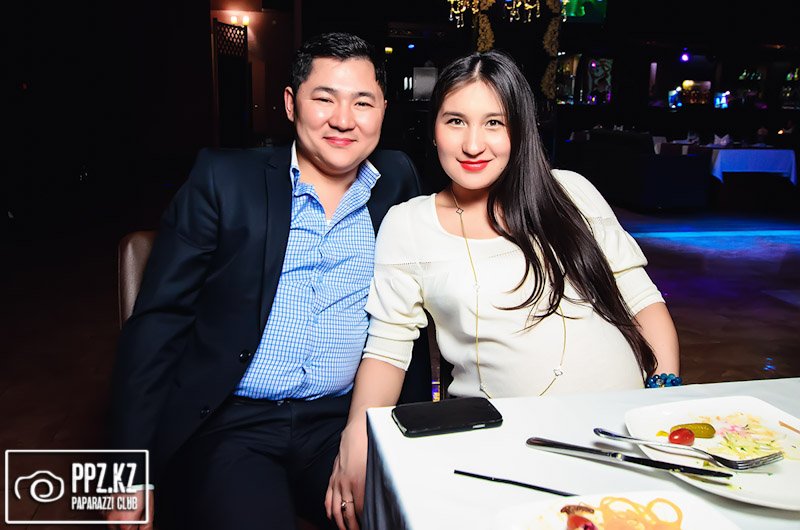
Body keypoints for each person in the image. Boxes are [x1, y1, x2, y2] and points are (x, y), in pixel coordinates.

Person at [325, 50, 679, 530]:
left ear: (520, 130)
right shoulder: (408, 224)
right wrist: (357, 436)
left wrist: (659, 401)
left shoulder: (571, 191)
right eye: (456, 121)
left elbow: (642, 302)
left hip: (622, 431)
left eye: (495, 122)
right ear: (434, 129)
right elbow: (388, 349)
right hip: (504, 442)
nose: (473, 144)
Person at [105, 32, 429, 530]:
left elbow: (410, 310)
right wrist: (129, 470)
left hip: (342, 420)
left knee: (414, 516)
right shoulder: (224, 180)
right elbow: (157, 324)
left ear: (383, 110)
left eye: (363, 102)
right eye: (324, 99)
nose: (344, 119)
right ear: (290, 103)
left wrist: (392, 434)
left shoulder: (397, 180)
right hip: (233, 423)